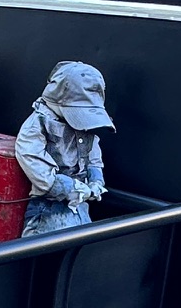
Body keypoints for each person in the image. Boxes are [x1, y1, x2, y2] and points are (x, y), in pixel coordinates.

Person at [16, 62, 113, 236]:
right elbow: (34, 161)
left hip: (80, 205)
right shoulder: (38, 123)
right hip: (48, 208)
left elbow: (93, 154)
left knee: (84, 238)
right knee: (52, 243)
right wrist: (69, 187)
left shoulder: (85, 127)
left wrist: (96, 178)